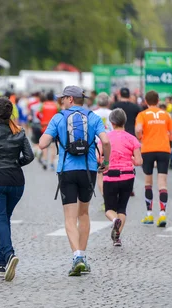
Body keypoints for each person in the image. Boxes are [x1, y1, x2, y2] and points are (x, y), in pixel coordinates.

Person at [39, 86, 111, 277]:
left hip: (67, 170)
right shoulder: (94, 117)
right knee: (84, 213)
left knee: (70, 217)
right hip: (88, 171)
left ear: (70, 99)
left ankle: (77, 256)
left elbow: (42, 143)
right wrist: (106, 161)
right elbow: (105, 142)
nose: (61, 101)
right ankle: (84, 257)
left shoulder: (59, 117)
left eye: (63, 98)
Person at [0, 97, 34, 281]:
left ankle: (9, 255)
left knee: (1, 219)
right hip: (17, 180)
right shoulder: (19, 131)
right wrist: (16, 163)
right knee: (5, 219)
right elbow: (29, 156)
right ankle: (1, 262)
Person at [102, 109, 143, 246]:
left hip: (110, 176)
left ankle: (114, 221)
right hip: (127, 177)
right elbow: (139, 161)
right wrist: (129, 157)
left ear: (112, 123)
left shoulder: (106, 138)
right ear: (124, 122)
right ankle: (117, 238)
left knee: (109, 209)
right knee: (122, 209)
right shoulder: (132, 139)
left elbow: (98, 157)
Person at [136, 90, 172, 227]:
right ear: (158, 100)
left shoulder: (142, 115)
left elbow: (138, 130)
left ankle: (149, 214)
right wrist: (167, 137)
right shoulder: (165, 115)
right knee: (162, 182)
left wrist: (141, 137)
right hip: (163, 149)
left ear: (146, 101)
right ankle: (162, 214)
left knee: (148, 182)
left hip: (147, 149)